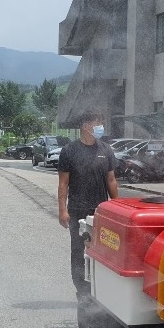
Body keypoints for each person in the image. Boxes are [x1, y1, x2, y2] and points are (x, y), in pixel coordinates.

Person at [57, 112, 118, 299]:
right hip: (77, 210)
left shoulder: (106, 150)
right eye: (98, 123)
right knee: (78, 250)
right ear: (85, 126)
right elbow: (63, 184)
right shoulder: (69, 151)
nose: (101, 127)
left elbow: (111, 180)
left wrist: (117, 207)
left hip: (101, 211)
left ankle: (101, 289)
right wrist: (62, 210)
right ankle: (82, 290)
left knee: (104, 249)